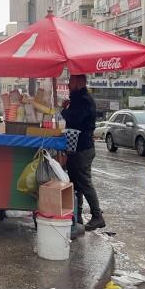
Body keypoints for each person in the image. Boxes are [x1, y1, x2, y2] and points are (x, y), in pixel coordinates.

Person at [61, 74, 105, 231]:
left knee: (84, 183)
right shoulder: (77, 99)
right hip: (77, 147)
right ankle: (77, 216)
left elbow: (76, 119)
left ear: (80, 83)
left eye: (71, 82)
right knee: (75, 183)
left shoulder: (84, 100)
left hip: (83, 147)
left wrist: (64, 111)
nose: (68, 84)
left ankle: (97, 216)